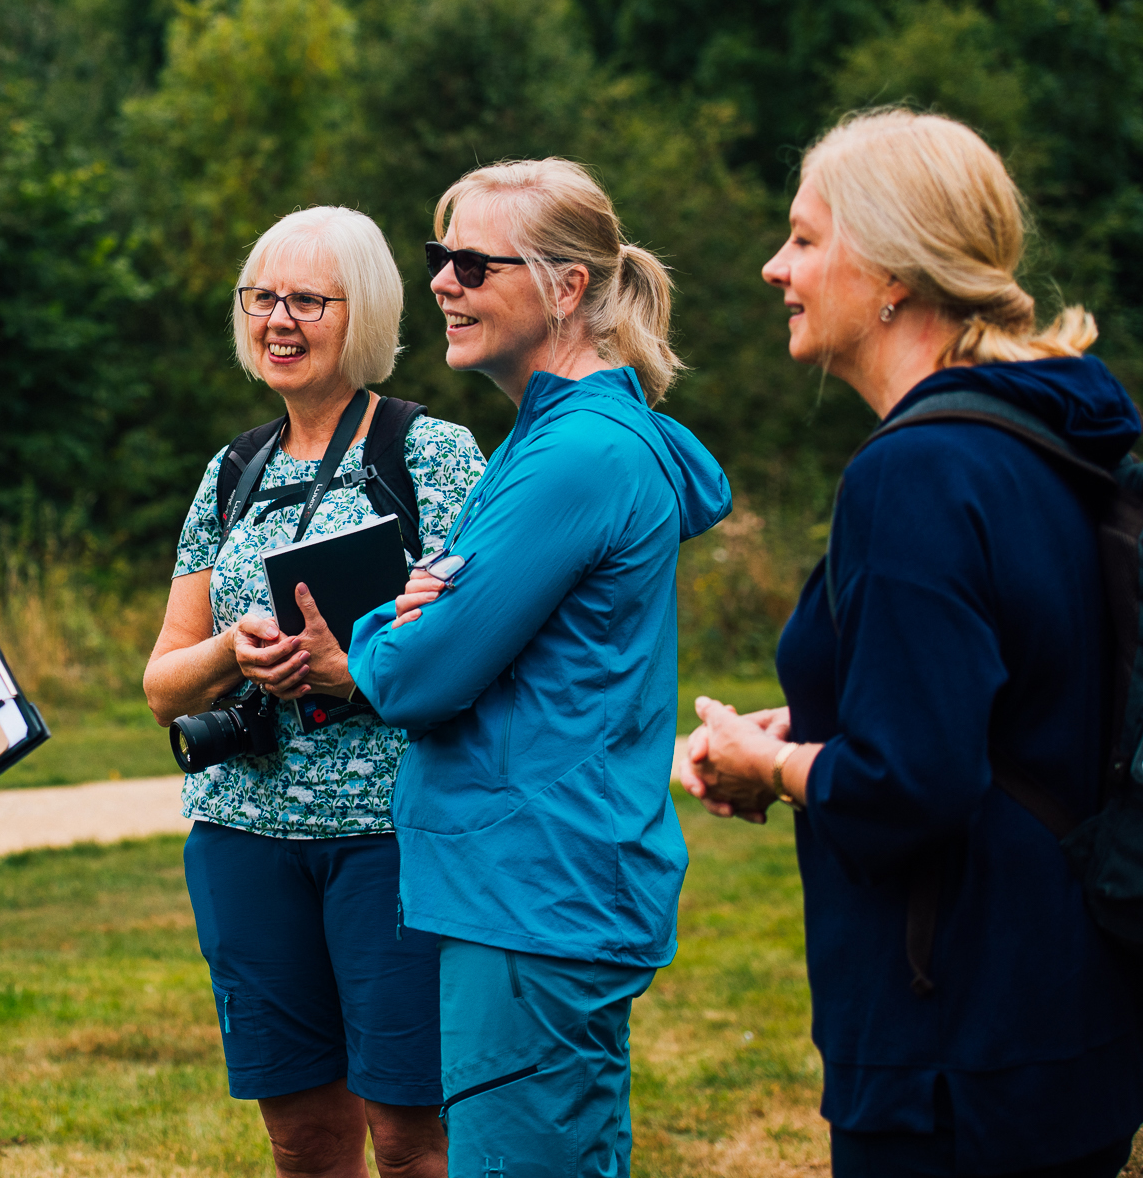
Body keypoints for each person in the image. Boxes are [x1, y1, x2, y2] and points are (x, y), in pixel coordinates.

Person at [679, 109, 1143, 1175]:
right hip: (1066, 1012)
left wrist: (774, 764)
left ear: (890, 269)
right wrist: (821, 725)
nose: (771, 267)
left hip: (955, 1041)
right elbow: (1022, 694)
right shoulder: (1046, 436)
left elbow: (911, 784)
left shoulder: (913, 475)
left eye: (802, 238)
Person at [345, 159, 731, 1176]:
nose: (441, 283)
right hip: (530, 888)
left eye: (472, 263)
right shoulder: (559, 436)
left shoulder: (575, 457)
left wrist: (374, 621)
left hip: (535, 894)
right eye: (439, 257)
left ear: (566, 288)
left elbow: (411, 676)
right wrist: (414, 608)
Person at [144, 205, 487, 1178]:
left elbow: (481, 650)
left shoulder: (428, 454)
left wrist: (353, 671)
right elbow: (160, 684)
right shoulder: (229, 473)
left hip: (388, 841)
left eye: (306, 299)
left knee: (409, 1136)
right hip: (241, 841)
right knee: (298, 1139)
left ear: (365, 314)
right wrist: (231, 652)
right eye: (261, 297)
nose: (277, 320)